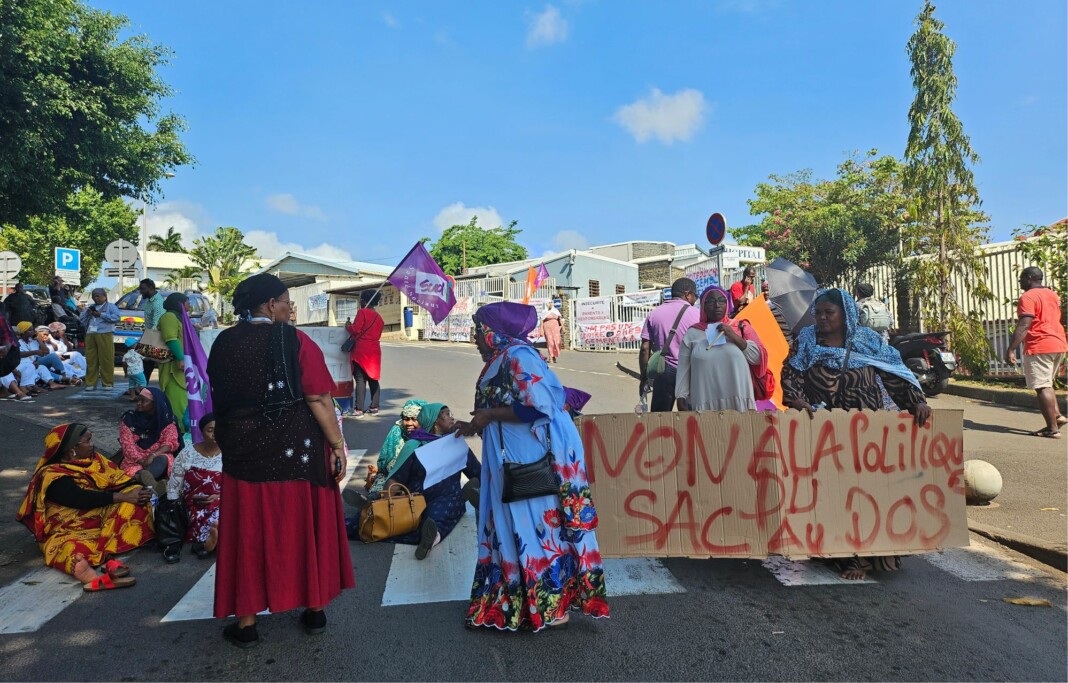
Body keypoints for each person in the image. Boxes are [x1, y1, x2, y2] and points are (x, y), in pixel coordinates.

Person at [207, 272, 353, 648]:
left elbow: (219, 397)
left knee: (248, 533)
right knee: (305, 526)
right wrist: (336, 444)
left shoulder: (223, 342)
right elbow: (319, 399)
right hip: (296, 453)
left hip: (242, 454)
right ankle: (315, 610)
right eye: (287, 301)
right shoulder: (295, 340)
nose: (291, 308)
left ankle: (246, 623)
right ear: (271, 305)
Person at [457, 301, 609, 631]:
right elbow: (501, 405)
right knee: (512, 528)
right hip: (509, 455)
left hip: (528, 457)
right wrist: (473, 425)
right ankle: (518, 602)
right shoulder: (501, 358)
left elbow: (541, 405)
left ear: (492, 332)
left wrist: (490, 415)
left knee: (537, 527)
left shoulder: (519, 356)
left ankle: (553, 606)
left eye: (477, 331)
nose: (474, 338)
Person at [781, 288, 931, 581]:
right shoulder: (806, 340)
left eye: (829, 313)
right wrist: (796, 399)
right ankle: (836, 550)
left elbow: (895, 374)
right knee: (829, 490)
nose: (822, 318)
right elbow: (791, 374)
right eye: (819, 312)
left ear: (845, 313)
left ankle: (862, 557)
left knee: (864, 490)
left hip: (864, 430)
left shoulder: (868, 341)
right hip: (822, 427)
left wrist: (917, 402)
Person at [16, 423, 155, 591]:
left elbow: (116, 480)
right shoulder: (52, 475)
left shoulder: (93, 460)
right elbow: (80, 498)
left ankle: (106, 552)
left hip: (98, 515)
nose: (92, 445)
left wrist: (136, 491)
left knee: (135, 504)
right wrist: (124, 496)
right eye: (88, 441)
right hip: (68, 526)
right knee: (69, 548)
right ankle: (89, 574)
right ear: (73, 448)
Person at [346, 403, 481, 560]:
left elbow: (477, 471)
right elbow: (397, 477)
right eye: (446, 414)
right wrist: (384, 504)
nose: (451, 417)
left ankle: (429, 540)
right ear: (434, 421)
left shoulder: (456, 443)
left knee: (436, 518)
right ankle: (362, 512)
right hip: (414, 499)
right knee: (382, 521)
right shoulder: (414, 446)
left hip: (446, 498)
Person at [676, 286, 768, 412]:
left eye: (721, 300)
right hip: (705, 401)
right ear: (703, 306)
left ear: (727, 304)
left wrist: (733, 336)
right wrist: (680, 397)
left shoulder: (741, 327)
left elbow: (759, 358)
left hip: (738, 401)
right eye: (711, 301)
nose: (717, 305)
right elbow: (683, 368)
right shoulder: (692, 333)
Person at [1006, 266, 1068, 438]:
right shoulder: (1052, 295)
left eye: (1021, 279)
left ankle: (1052, 429)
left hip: (1040, 345)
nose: (1020, 283)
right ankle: (1057, 416)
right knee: (1046, 383)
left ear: (1029, 278)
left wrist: (1011, 349)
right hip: (1058, 343)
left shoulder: (1028, 296)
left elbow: (1024, 324)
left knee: (1041, 386)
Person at [165, 412, 222, 561]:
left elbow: (236, 485)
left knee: (223, 510)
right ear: (202, 432)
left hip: (221, 501)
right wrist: (174, 507)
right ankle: (208, 542)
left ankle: (206, 542)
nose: (214, 434)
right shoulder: (187, 454)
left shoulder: (231, 455)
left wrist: (219, 496)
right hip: (193, 502)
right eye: (210, 430)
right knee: (197, 515)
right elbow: (174, 485)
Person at [639, 277, 700, 412]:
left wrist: (644, 378)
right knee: (689, 418)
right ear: (687, 294)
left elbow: (644, 348)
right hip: (690, 371)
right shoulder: (698, 315)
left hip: (664, 372)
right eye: (695, 296)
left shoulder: (654, 314)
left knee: (660, 418)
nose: (695, 300)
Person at [119, 387, 180, 493]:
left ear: (155, 404)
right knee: (132, 470)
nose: (138, 403)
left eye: (143, 400)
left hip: (156, 458)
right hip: (134, 460)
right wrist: (141, 460)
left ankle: (141, 478)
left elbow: (170, 443)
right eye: (138, 399)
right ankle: (154, 485)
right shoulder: (129, 419)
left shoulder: (166, 420)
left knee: (164, 458)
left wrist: (153, 455)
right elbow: (127, 445)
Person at [363, 399, 426, 492]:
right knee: (378, 496)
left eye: (414, 419)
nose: (409, 423)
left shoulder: (429, 434)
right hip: (394, 477)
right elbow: (384, 462)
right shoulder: (396, 431)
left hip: (420, 480)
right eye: (406, 419)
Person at [345, 289, 384, 417]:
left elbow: (356, 330)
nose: (360, 301)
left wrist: (348, 326)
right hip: (374, 350)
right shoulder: (379, 317)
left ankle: (359, 409)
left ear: (364, 301)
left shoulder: (362, 312)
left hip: (361, 350)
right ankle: (374, 407)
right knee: (373, 379)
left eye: (360, 299)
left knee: (360, 379)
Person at [158, 292, 191, 428]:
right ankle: (178, 433)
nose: (190, 305)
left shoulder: (180, 317)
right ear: (180, 304)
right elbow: (171, 339)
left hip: (183, 366)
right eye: (187, 302)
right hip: (174, 366)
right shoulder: (169, 317)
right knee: (178, 402)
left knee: (185, 400)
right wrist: (182, 359)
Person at [79, 288, 121, 391]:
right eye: (93, 296)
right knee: (91, 359)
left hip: (104, 334)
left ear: (104, 296)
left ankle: (107, 383)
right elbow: (81, 320)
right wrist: (87, 313)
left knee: (106, 359)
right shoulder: (90, 307)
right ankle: (90, 383)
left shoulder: (111, 307)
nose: (95, 298)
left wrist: (101, 315)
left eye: (98, 296)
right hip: (91, 334)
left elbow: (117, 318)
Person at [16, 322, 67, 390]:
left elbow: (46, 352)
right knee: (41, 368)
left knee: (52, 357)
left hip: (37, 360)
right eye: (30, 330)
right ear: (24, 332)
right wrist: (34, 352)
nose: (33, 332)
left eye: (33, 330)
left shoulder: (34, 340)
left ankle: (62, 379)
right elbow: (19, 354)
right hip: (24, 363)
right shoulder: (18, 342)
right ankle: (64, 379)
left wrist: (39, 340)